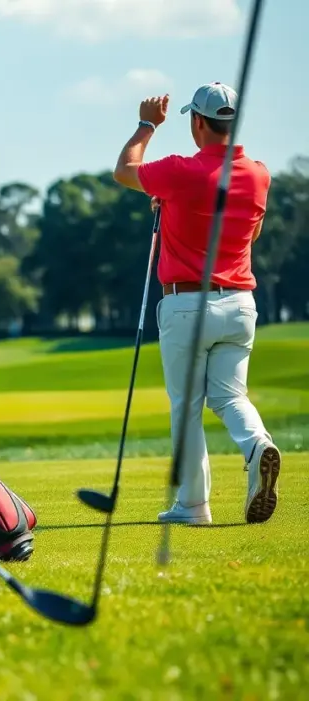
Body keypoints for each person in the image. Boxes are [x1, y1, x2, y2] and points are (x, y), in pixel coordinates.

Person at [111, 82, 280, 525]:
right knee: (229, 395)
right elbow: (250, 235)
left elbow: (125, 170)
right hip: (240, 305)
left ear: (198, 122)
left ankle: (193, 505)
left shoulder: (179, 170)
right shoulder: (259, 173)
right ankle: (256, 444)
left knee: (186, 405)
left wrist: (147, 124)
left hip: (186, 306)